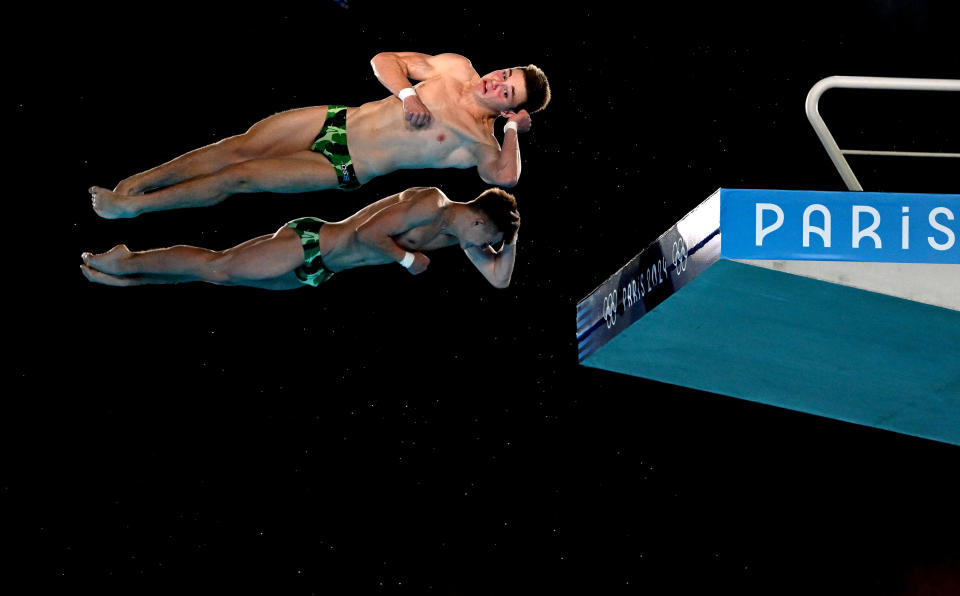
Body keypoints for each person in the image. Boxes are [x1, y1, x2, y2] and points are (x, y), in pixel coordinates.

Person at [89, 52, 550, 219]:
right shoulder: (455, 67)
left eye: (506, 92)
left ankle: (134, 207)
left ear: (509, 108)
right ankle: (136, 183)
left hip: (343, 166)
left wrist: (513, 130)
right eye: (504, 72)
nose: (495, 81)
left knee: (240, 177)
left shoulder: (478, 141)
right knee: (236, 146)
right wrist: (409, 95)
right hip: (336, 119)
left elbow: (504, 177)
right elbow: (384, 60)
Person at [80, 187, 520, 290]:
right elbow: (368, 233)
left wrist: (513, 238)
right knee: (218, 264)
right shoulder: (432, 205)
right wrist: (407, 261)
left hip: (319, 272)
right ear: (479, 222)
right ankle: (125, 259)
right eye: (491, 239)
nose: (484, 248)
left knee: (217, 278)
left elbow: (499, 279)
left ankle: (130, 276)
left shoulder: (457, 235)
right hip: (312, 243)